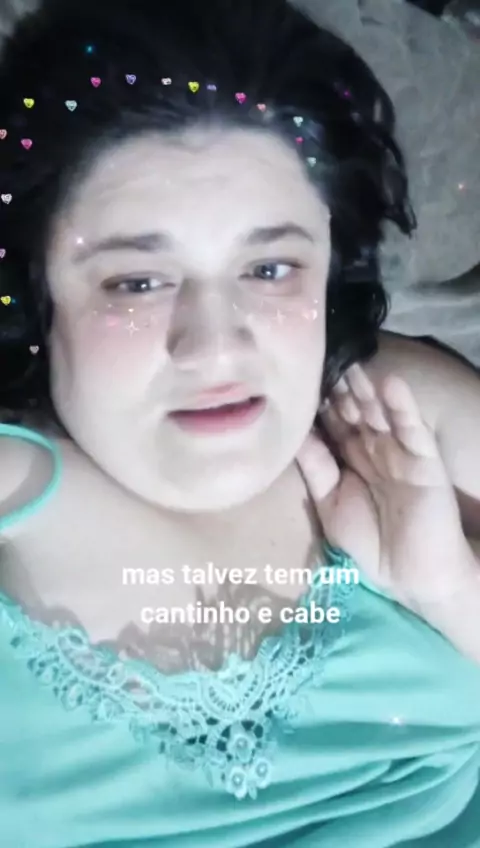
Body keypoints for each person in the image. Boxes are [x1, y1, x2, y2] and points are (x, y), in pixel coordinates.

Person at [0, 0, 479, 845]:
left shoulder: (397, 417)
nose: (215, 345)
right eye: (136, 282)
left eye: (269, 268)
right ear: (39, 297)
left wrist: (449, 590)